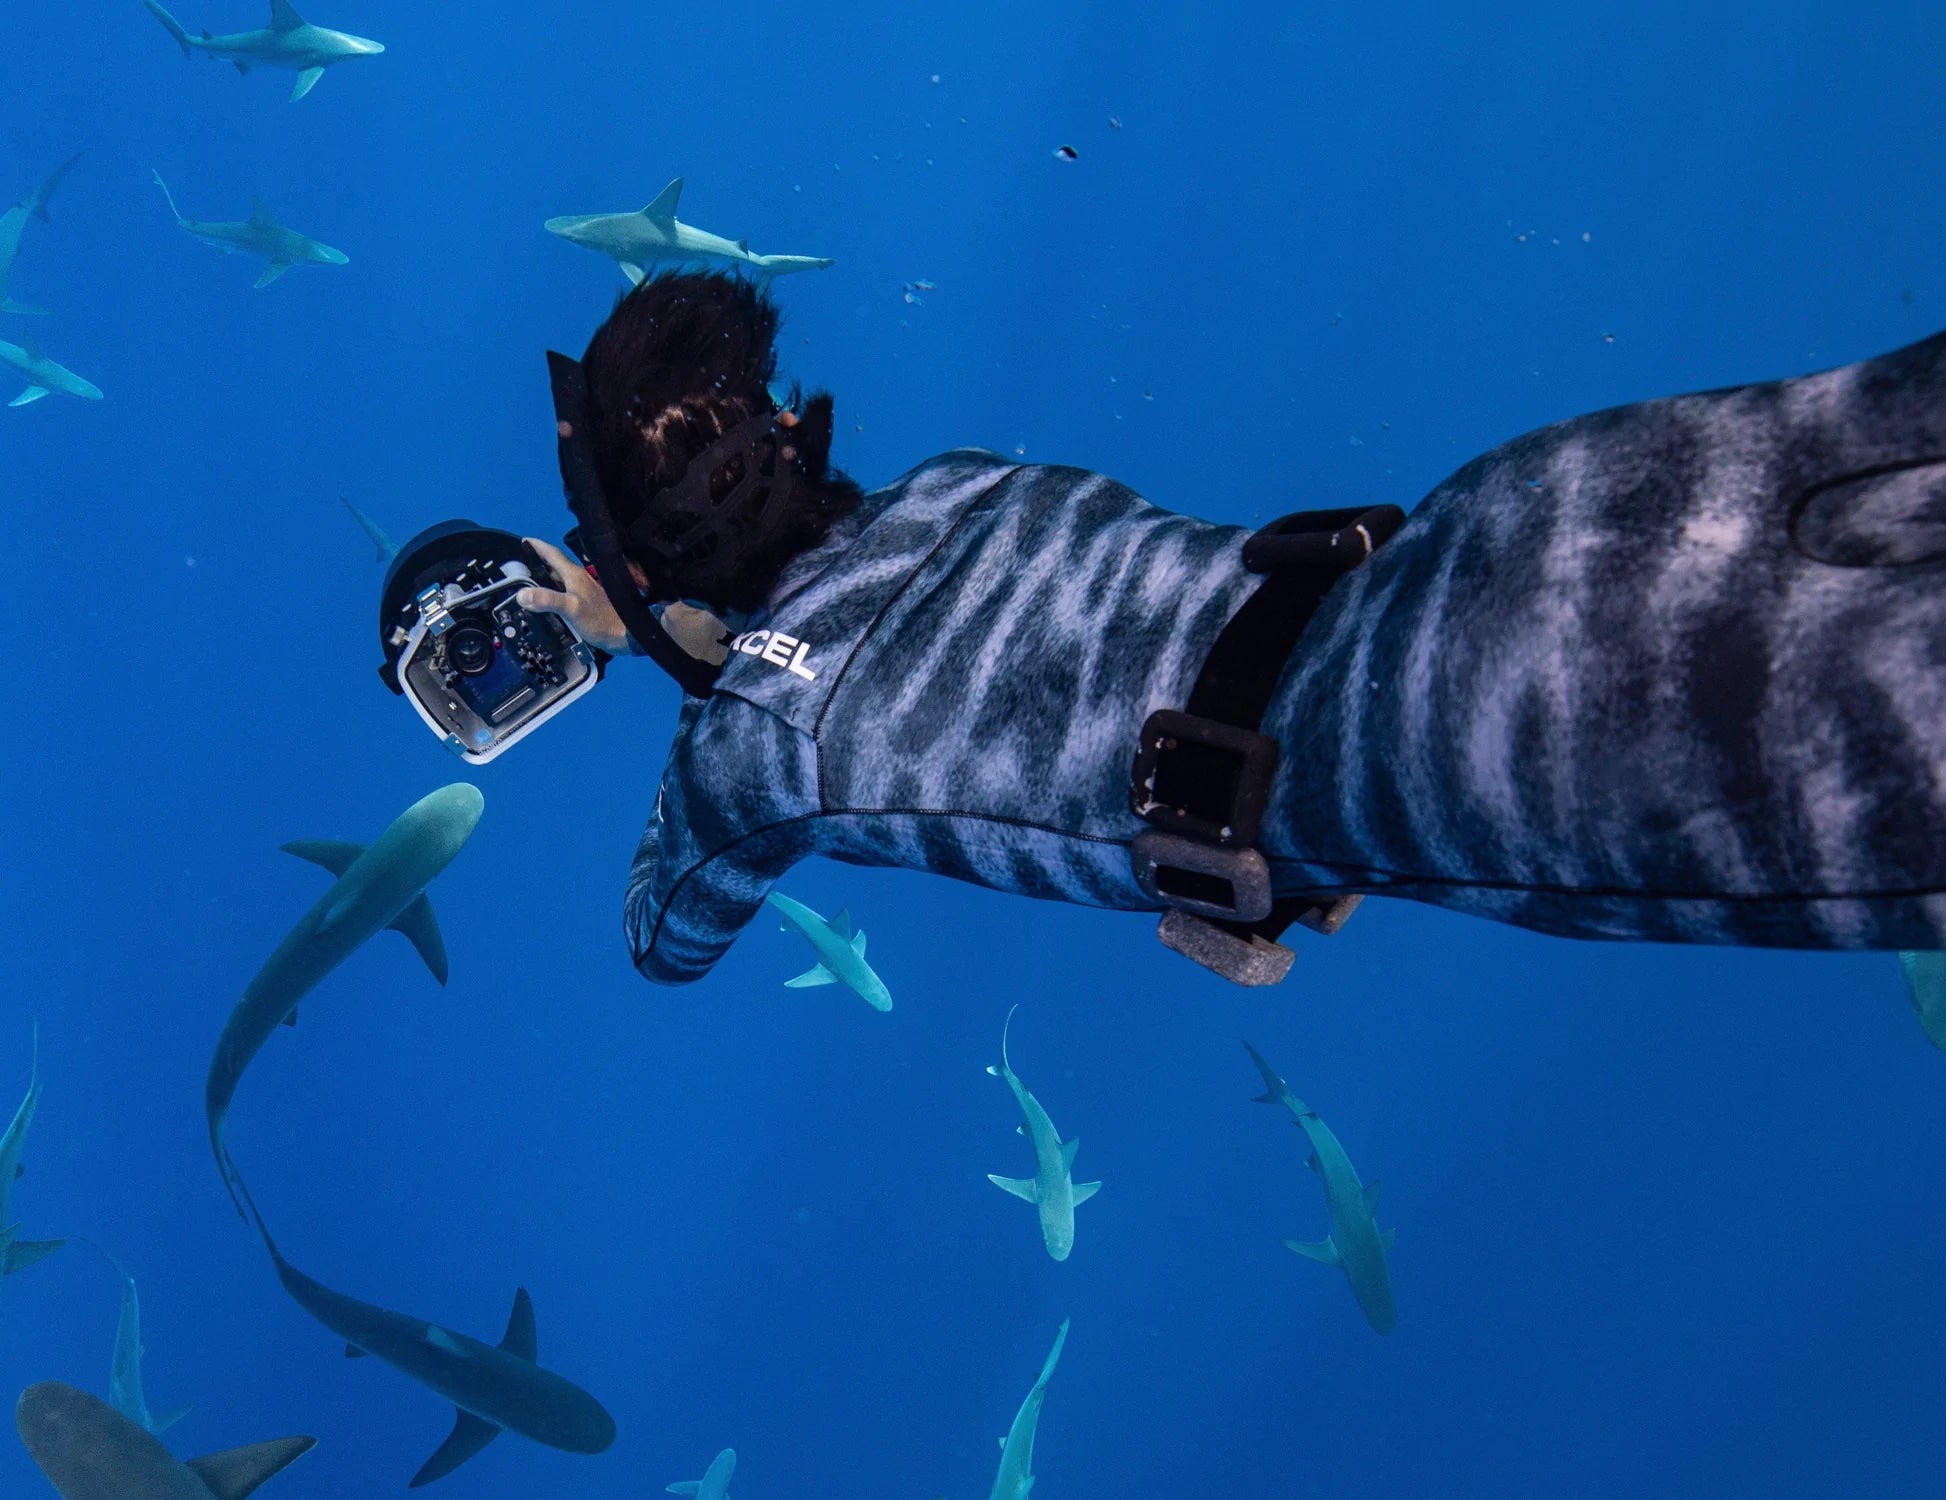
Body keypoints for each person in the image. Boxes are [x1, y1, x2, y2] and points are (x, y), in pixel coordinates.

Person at [516, 270, 1946, 988]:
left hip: (1483, 745)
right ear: (789, 422)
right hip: (1533, 506)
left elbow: (664, 937)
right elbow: (934, 628)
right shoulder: (959, 484)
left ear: (640, 570)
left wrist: (640, 636)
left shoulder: (755, 753)